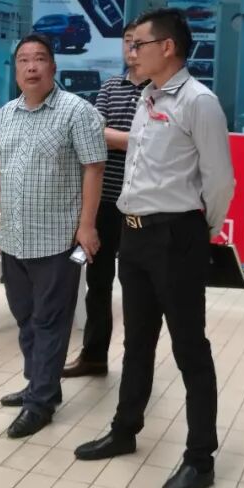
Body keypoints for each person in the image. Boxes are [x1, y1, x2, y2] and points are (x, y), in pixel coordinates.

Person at [73, 8, 234, 488]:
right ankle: (125, 430)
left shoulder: (199, 102)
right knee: (137, 342)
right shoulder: (147, 97)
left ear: (167, 47)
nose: (131, 52)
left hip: (175, 237)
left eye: (138, 44)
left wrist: (198, 230)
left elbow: (220, 181)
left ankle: (200, 458)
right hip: (135, 235)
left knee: (189, 349)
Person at [0, 33, 107, 438]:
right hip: (14, 238)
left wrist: (87, 225)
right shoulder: (4, 116)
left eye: (39, 58)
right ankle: (38, 383)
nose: (31, 66)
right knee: (25, 317)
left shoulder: (78, 112)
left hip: (60, 240)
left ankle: (41, 402)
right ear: (16, 69)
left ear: (53, 67)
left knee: (51, 320)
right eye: (24, 60)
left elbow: (94, 167)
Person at [62, 21, 148, 378]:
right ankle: (94, 356)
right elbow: (93, 132)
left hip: (143, 205)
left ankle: (137, 365)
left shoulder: (161, 91)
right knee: (98, 282)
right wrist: (134, 139)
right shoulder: (111, 86)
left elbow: (156, 143)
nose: (132, 49)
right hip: (105, 201)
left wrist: (127, 139)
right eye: (127, 42)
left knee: (138, 287)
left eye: (139, 43)